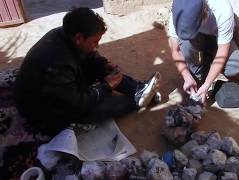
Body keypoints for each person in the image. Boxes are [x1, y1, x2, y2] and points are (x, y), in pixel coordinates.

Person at [14, 7, 161, 135]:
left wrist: (103, 64)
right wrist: (105, 86)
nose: (97, 46)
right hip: (43, 111)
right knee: (98, 106)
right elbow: (76, 104)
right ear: (79, 37)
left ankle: (140, 90)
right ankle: (138, 101)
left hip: (61, 87)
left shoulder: (64, 33)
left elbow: (89, 54)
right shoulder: (58, 63)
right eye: (95, 41)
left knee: (103, 69)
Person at [167, 0, 239, 103]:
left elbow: (222, 51)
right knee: (185, 46)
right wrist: (187, 76)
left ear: (205, 13)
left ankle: (209, 58)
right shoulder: (177, 14)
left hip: (217, 37)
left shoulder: (222, 9)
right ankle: (197, 74)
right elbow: (175, 50)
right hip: (197, 37)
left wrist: (207, 84)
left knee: (233, 68)